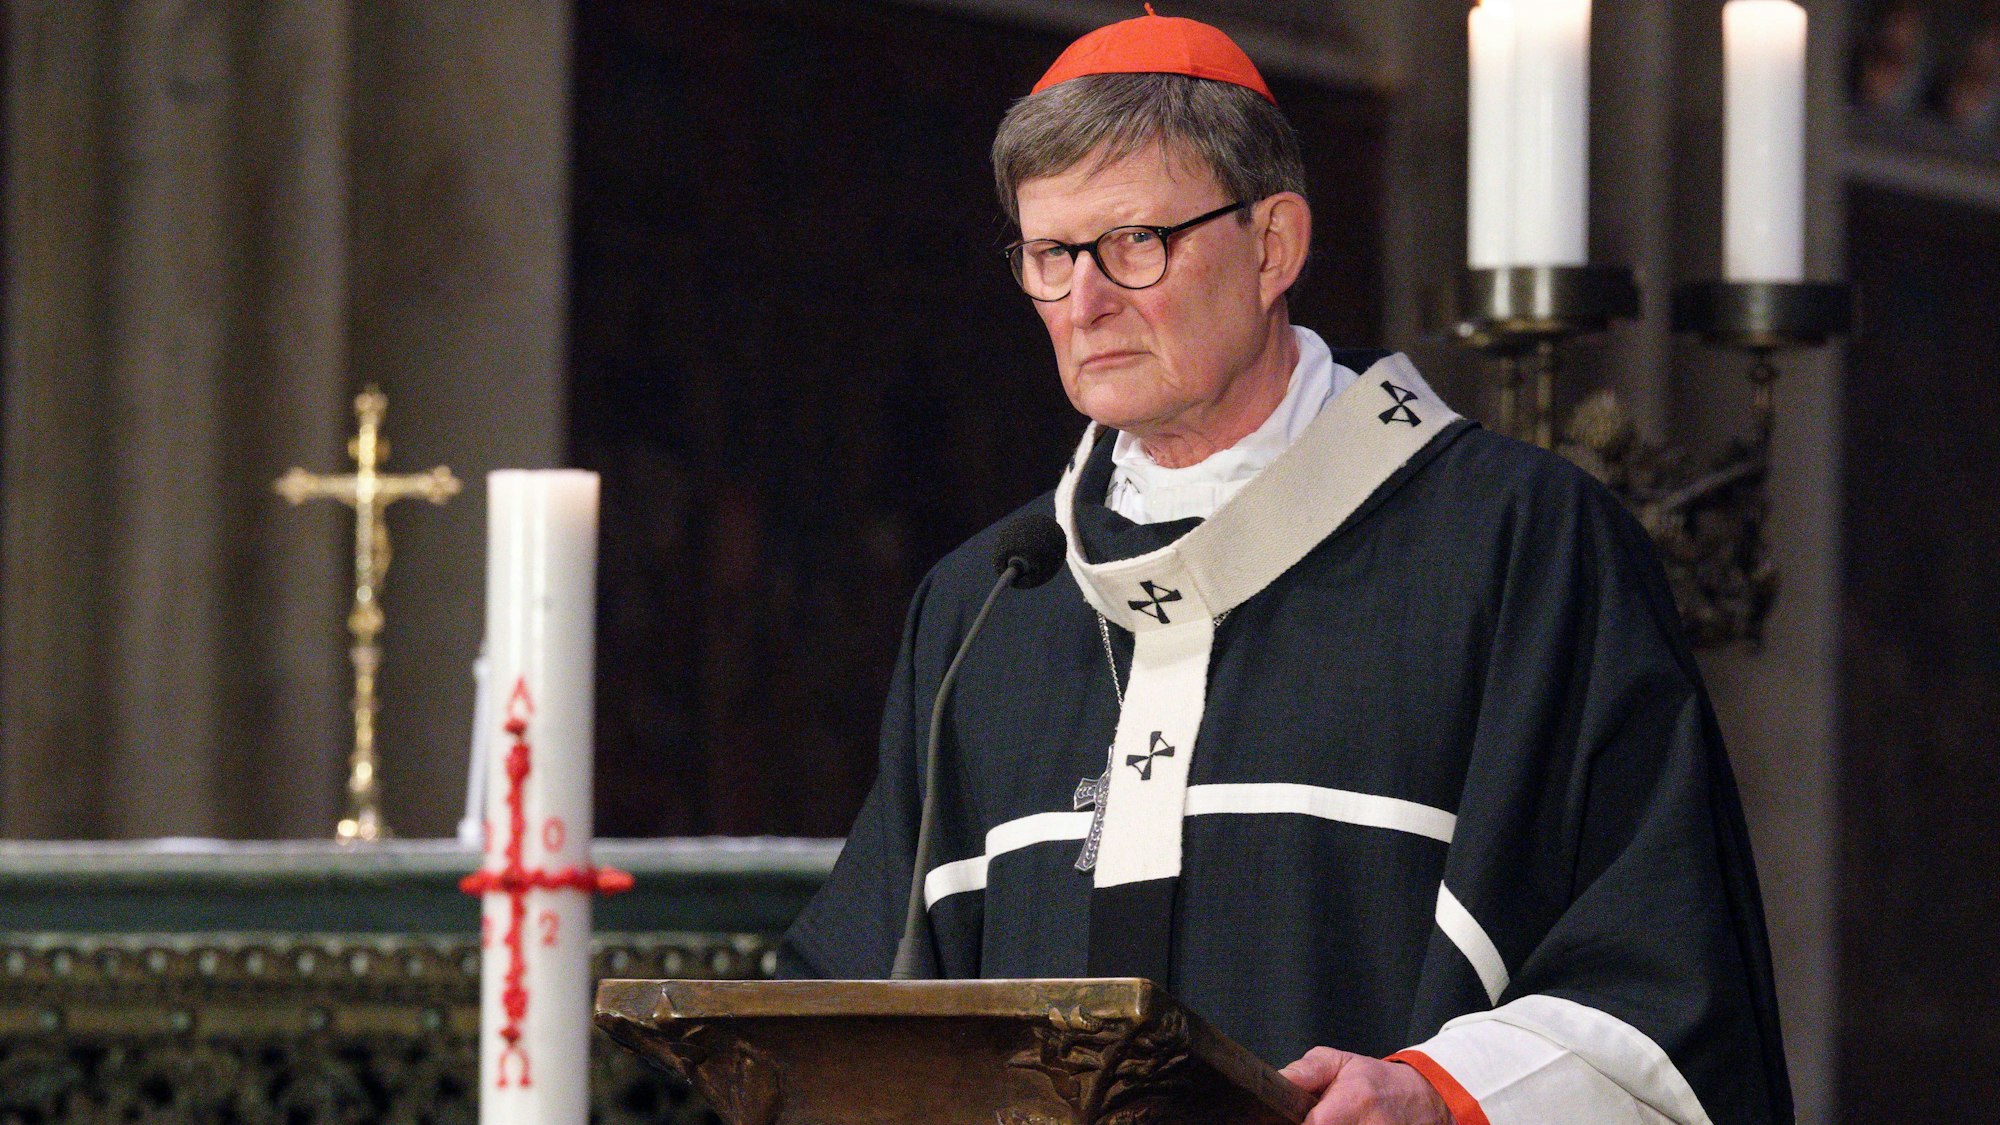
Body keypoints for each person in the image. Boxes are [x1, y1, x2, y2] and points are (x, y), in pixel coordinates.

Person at [779, 10, 1791, 1125]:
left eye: (1132, 243)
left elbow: (1664, 971)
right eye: (1049, 255)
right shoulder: (988, 607)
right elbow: (857, 1009)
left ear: (1273, 245)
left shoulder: (1513, 546)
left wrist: (1433, 1094)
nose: (1084, 303)